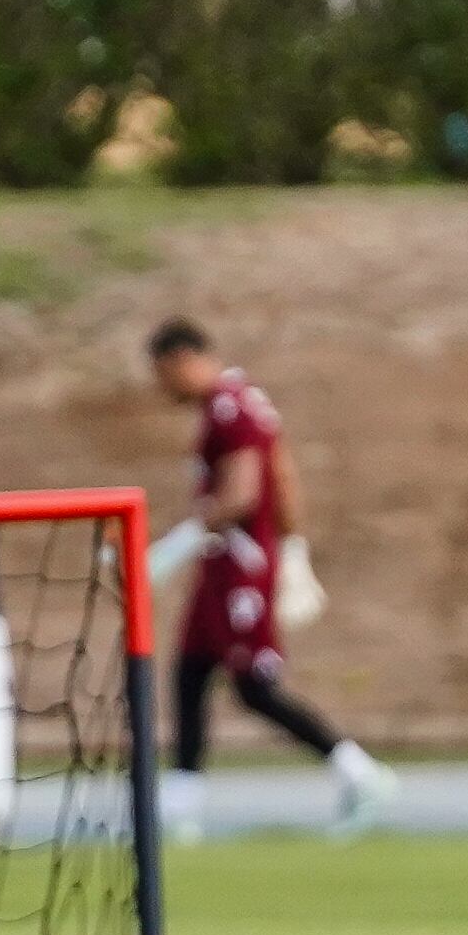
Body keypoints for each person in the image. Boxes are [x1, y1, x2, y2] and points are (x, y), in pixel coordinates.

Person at [149, 317, 393, 839]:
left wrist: (175, 547)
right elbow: (283, 472)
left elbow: (242, 493)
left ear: (181, 360)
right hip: (228, 563)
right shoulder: (238, 402)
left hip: (239, 563)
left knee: (253, 685)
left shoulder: (227, 407)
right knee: (189, 674)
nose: (161, 390)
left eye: (162, 376)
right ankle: (180, 807)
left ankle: (360, 772)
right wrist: (293, 542)